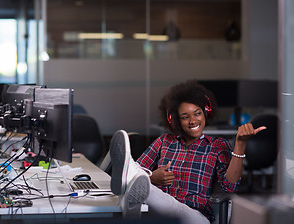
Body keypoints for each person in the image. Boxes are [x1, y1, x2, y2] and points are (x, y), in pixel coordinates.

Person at [110, 80, 266, 224]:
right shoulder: (165, 141)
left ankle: (128, 184)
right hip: (160, 212)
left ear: (206, 112)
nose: (193, 121)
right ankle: (129, 182)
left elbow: (229, 187)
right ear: (176, 120)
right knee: (138, 177)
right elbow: (141, 168)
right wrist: (152, 177)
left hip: (195, 216)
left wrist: (240, 143)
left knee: (146, 188)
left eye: (197, 113)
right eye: (185, 117)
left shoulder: (218, 145)